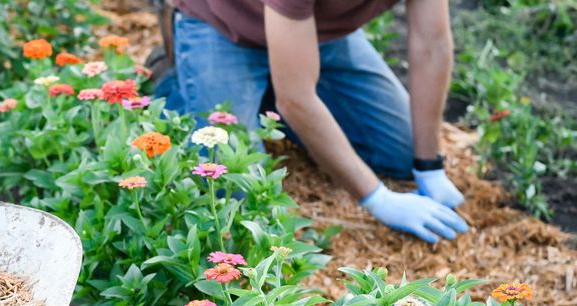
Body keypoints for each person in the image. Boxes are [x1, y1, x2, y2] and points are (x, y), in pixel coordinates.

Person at [152, 0, 470, 244]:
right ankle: (178, 80)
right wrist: (378, 199)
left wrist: (429, 166)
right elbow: (296, 100)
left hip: (315, 31)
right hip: (225, 27)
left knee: (401, 153)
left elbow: (432, 47)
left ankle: (274, 81)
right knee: (242, 200)